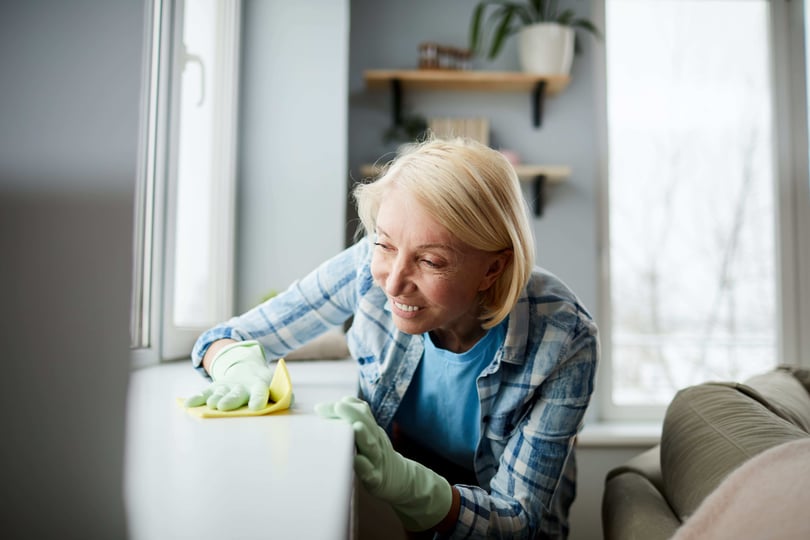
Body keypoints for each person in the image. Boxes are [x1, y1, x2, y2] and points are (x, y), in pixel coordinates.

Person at [186, 136, 599, 539]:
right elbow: (228, 336)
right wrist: (234, 363)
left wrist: (410, 486)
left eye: (431, 260)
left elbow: (517, 519)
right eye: (384, 243)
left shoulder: (563, 338)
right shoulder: (369, 266)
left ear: (492, 270)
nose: (394, 281)